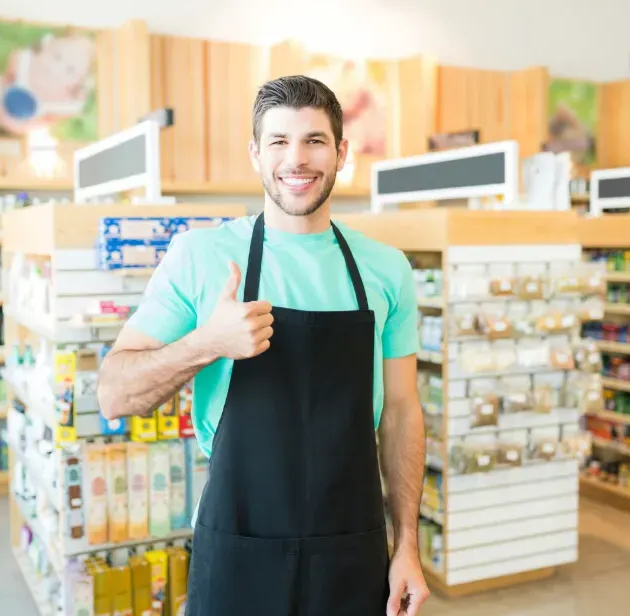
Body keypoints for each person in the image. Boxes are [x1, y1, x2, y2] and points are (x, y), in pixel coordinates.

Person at [97, 75, 430, 616]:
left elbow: (401, 411)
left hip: (352, 547)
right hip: (238, 547)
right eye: (278, 141)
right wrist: (206, 343)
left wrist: (407, 544)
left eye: (315, 140)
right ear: (255, 153)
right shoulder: (200, 256)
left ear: (342, 152)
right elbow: (114, 395)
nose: (296, 159)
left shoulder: (387, 269)